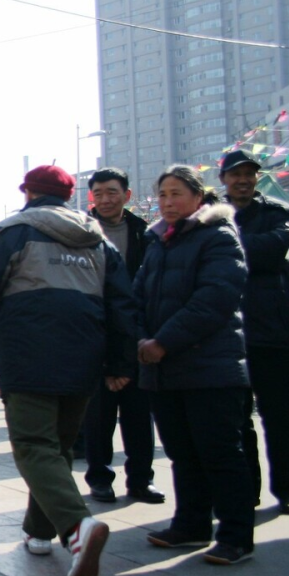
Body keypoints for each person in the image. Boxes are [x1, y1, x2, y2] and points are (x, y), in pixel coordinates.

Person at [0, 164, 136, 576]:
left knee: (34, 445)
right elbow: (123, 305)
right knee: (58, 446)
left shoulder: (12, 232)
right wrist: (121, 363)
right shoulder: (99, 243)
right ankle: (39, 530)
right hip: (85, 355)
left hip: (27, 354)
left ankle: (75, 528)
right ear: (72, 196)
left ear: (28, 192)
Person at [136, 164, 256, 565]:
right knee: (182, 452)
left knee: (220, 452)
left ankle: (236, 535)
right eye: (163, 194)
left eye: (177, 194)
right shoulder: (158, 242)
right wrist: (139, 339)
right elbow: (137, 298)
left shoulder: (219, 237)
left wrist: (163, 342)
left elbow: (215, 300)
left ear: (198, 197)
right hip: (163, 370)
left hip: (210, 367)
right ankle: (191, 524)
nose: (168, 202)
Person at [218, 149, 289, 514]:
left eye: (249, 174)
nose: (243, 180)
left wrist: (227, 250)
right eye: (236, 174)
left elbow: (271, 251)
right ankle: (247, 493)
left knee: (280, 416)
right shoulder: (211, 217)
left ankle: (288, 490)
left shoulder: (279, 214)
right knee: (236, 421)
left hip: (273, 333)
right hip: (229, 334)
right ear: (224, 180)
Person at [81, 167, 164, 504]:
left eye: (112, 192)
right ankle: (100, 478)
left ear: (127, 195)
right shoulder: (79, 232)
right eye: (98, 193)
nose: (105, 199)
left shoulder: (146, 234)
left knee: (138, 413)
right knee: (98, 414)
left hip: (136, 331)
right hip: (95, 335)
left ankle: (141, 480)